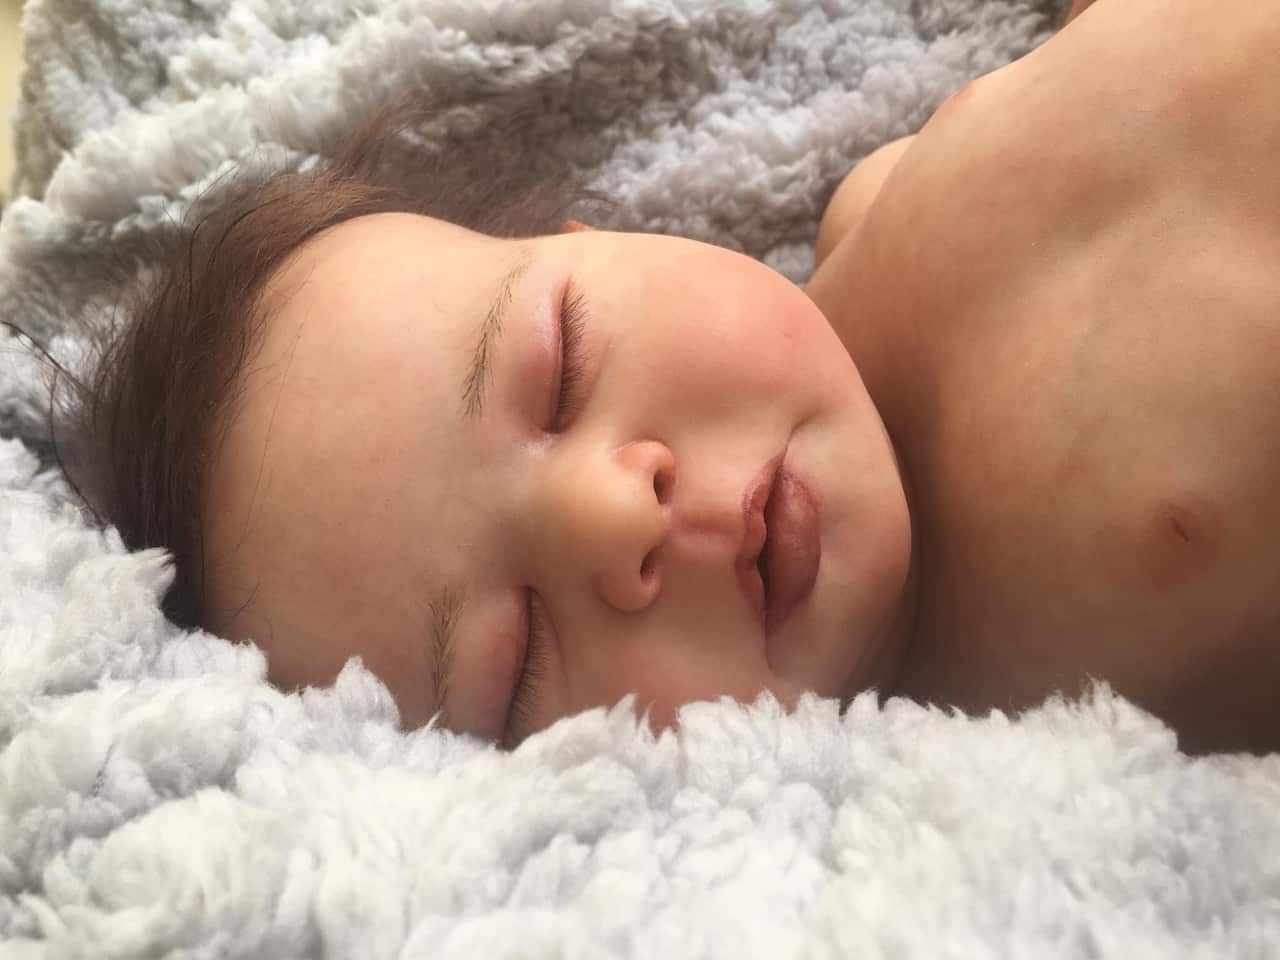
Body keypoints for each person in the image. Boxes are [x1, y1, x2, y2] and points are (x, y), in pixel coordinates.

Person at [28, 0, 1280, 753]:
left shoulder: (867, 206)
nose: (614, 512)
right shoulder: (1015, 713)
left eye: (559, 365)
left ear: (597, 242)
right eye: (511, 663)